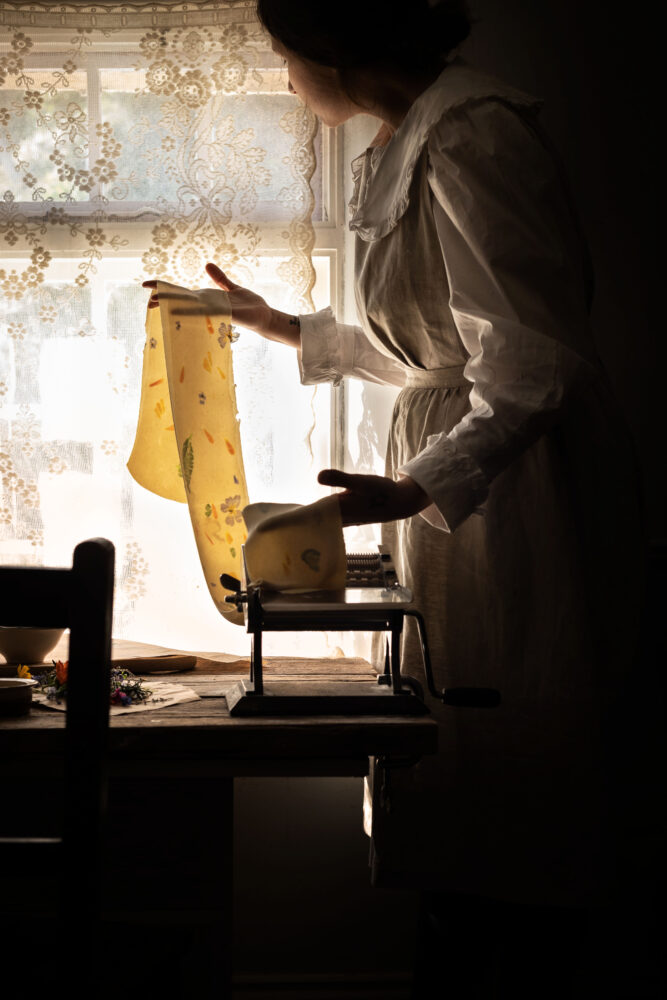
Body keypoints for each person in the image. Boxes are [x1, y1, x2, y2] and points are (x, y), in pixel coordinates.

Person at [146, 1, 645, 994]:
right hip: (464, 475)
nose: (286, 78)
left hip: (512, 491)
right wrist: (281, 325)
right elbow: (438, 346)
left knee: (514, 771)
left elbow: (531, 363)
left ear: (331, 43)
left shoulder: (471, 133)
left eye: (286, 55)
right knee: (459, 774)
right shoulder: (411, 139)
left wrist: (416, 486)